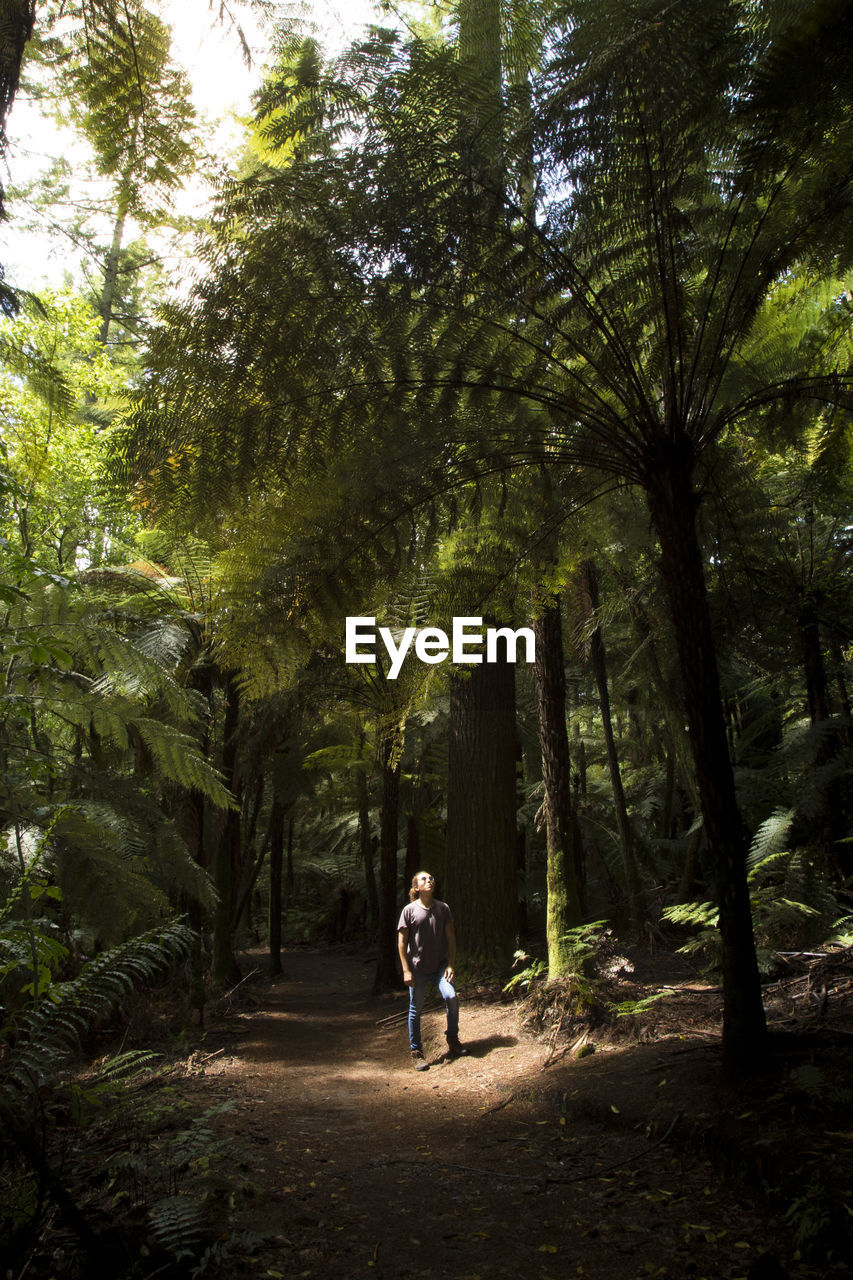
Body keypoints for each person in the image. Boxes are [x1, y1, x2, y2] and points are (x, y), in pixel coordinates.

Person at [397, 870, 467, 1071]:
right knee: (415, 1010)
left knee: (451, 997)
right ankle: (416, 1051)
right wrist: (406, 970)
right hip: (417, 970)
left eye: (431, 878)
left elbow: (451, 938)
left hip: (440, 967)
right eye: (424, 879)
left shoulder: (443, 908)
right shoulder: (409, 911)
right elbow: (401, 942)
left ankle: (452, 1039)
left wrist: (451, 964)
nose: (429, 880)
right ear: (416, 887)